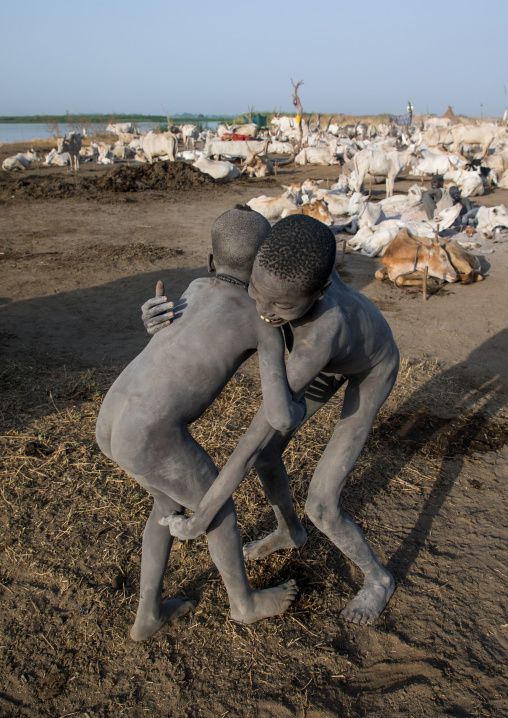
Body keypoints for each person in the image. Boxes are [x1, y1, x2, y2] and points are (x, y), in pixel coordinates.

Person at [149, 215, 400, 626]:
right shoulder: (281, 258)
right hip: (332, 353)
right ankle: (288, 532)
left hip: (370, 366)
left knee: (321, 505)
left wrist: (201, 517)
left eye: (281, 305)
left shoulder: (322, 329)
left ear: (319, 292)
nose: (263, 311)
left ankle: (377, 579)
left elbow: (254, 435)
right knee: (270, 455)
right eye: (256, 291)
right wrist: (156, 318)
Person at [96, 207, 305, 641]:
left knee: (167, 505)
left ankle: (148, 615)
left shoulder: (193, 286)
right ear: (263, 268)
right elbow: (280, 413)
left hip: (111, 418)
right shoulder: (260, 319)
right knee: (219, 509)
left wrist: (150, 318)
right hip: (150, 434)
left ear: (211, 261)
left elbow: (169, 334)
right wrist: (304, 400)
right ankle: (243, 604)